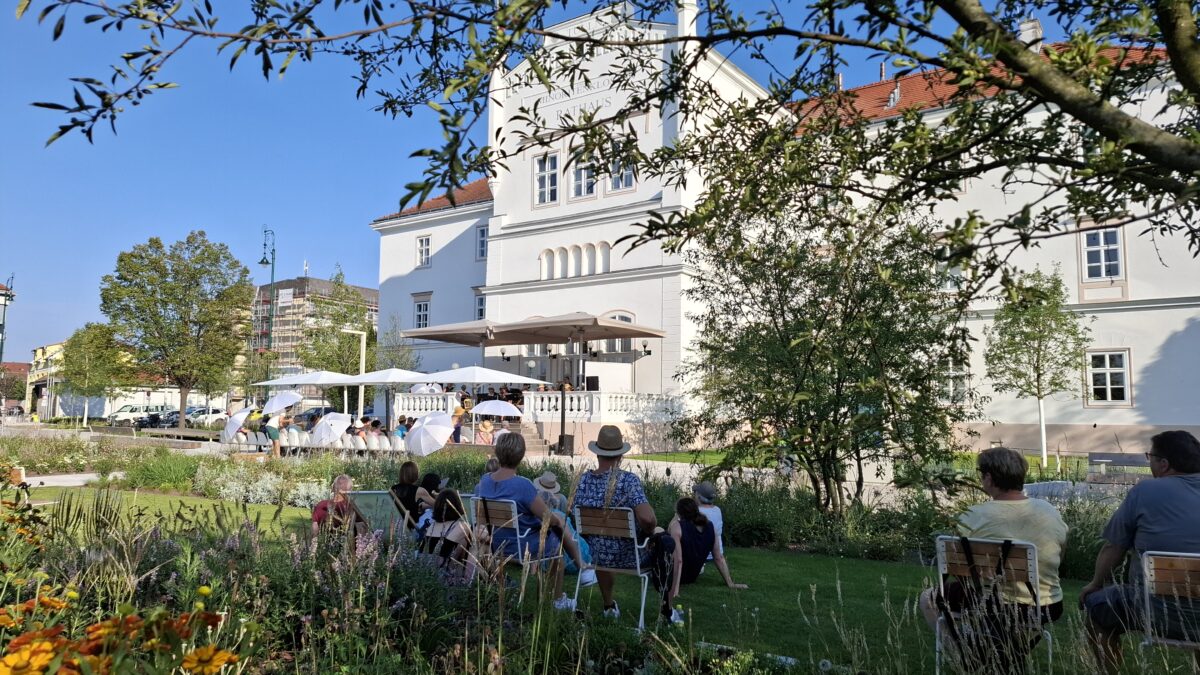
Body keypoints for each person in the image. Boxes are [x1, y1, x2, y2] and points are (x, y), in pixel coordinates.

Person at [917, 447, 1067, 666]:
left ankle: (962, 658)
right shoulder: (1049, 511)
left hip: (992, 604)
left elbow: (954, 567)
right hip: (1046, 605)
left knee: (928, 598)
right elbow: (1060, 554)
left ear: (988, 477)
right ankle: (1005, 653)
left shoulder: (974, 516)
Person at [1081, 430, 1200, 674]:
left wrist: (1094, 584)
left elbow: (1114, 547)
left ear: (1164, 464)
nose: (1150, 462)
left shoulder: (1144, 492)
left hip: (1155, 612)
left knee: (1097, 609)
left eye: (1151, 457)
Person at [474, 434, 595, 609]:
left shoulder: (484, 481)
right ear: (521, 455)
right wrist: (555, 520)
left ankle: (581, 570)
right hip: (522, 546)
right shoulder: (522, 485)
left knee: (556, 528)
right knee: (557, 531)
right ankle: (565, 590)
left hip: (497, 542)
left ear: (497, 453)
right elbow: (547, 517)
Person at [574, 425, 671, 622]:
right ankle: (667, 610)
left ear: (598, 454)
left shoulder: (583, 481)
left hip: (597, 555)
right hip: (631, 556)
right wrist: (649, 532)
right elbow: (647, 519)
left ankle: (609, 606)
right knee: (667, 543)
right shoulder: (628, 481)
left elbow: (577, 518)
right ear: (620, 456)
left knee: (602, 544)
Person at [668, 497, 746, 616]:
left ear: (679, 512)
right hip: (692, 576)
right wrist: (730, 583)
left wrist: (675, 588)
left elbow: (678, 560)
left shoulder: (677, 526)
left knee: (658, 531)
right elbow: (718, 557)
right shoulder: (710, 526)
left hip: (672, 575)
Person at [536, 471, 591, 574]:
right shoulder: (561, 499)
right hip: (563, 541)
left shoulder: (535, 500)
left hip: (544, 547)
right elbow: (566, 517)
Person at [423, 489, 473, 572]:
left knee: (464, 540)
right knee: (477, 546)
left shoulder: (432, 526)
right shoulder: (461, 525)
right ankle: (476, 580)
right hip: (443, 572)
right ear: (457, 506)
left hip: (424, 568)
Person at [693, 481, 725, 562]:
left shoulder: (696, 511)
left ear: (699, 497)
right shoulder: (717, 510)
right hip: (718, 553)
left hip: (701, 554)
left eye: (696, 493)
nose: (694, 495)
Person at [390, 460, 422, 529]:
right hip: (412, 527)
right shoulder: (418, 490)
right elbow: (436, 504)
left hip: (396, 526)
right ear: (415, 474)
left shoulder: (393, 488)